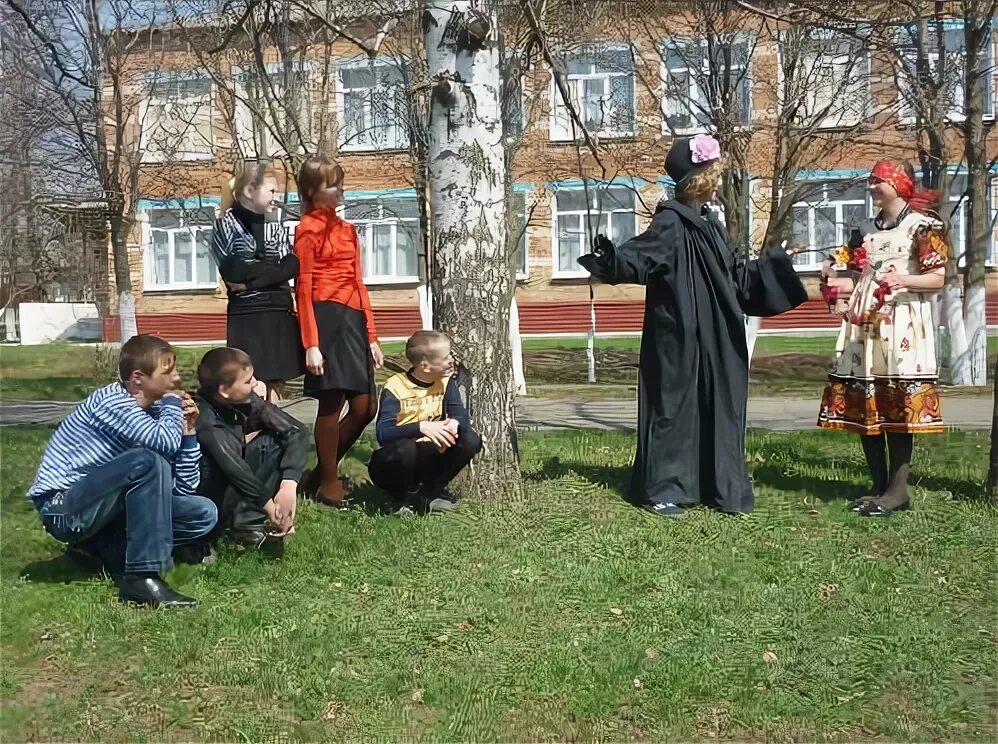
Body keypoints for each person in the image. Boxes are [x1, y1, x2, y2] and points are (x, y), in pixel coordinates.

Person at [577, 134, 807, 517]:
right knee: (674, 408)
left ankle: (720, 487)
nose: (718, 180)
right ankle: (664, 489)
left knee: (720, 405)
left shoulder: (711, 225)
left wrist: (776, 264)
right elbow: (639, 258)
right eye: (713, 173)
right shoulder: (669, 223)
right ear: (697, 178)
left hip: (717, 334)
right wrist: (611, 258)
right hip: (678, 335)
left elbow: (738, 277)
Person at [26, 335, 217, 608]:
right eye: (168, 371)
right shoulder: (111, 402)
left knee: (202, 512)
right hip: (64, 508)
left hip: (107, 510)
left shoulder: (156, 413)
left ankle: (101, 549)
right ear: (138, 378)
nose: (176, 379)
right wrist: (174, 403)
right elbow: (162, 442)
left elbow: (183, 489)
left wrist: (188, 431)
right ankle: (140, 578)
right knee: (147, 461)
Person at [817, 159, 948, 517]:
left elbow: (938, 278)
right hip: (866, 325)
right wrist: (832, 280)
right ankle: (877, 486)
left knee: (897, 405)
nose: (872, 186)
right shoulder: (863, 230)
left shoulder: (923, 226)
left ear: (898, 183)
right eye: (871, 181)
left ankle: (897, 491)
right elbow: (847, 270)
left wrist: (903, 281)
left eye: (879, 180)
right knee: (866, 403)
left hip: (903, 323)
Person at [294, 154, 384, 507]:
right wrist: (311, 344)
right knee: (331, 405)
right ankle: (329, 484)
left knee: (366, 407)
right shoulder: (306, 230)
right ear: (312, 191)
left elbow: (359, 283)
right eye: (332, 184)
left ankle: (317, 476)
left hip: (353, 321)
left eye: (340, 181)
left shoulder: (348, 230)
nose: (340, 189)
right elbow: (302, 289)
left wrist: (372, 335)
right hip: (324, 319)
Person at [194, 347, 309, 546]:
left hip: (230, 483)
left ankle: (245, 526)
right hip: (203, 497)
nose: (256, 383)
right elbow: (235, 470)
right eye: (248, 381)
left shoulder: (240, 399)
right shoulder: (205, 419)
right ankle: (205, 536)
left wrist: (289, 484)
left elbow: (295, 431)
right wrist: (272, 510)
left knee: (275, 441)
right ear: (224, 390)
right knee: (233, 471)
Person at [211, 160, 304, 401]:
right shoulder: (225, 223)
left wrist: (252, 282)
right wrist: (274, 268)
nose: (275, 197)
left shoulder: (274, 223)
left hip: (279, 313)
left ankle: (273, 436)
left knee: (275, 387)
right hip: (249, 318)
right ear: (250, 191)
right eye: (271, 191)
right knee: (251, 386)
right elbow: (234, 271)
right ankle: (252, 436)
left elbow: (292, 265)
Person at [369, 331, 481, 514]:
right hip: (393, 462)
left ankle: (429, 494)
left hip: (429, 457)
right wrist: (422, 427)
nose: (452, 360)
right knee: (404, 448)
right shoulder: (395, 386)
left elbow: (460, 416)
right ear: (425, 366)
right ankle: (397, 499)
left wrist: (455, 424)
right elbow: (383, 433)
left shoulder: (445, 382)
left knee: (470, 440)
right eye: (445, 358)